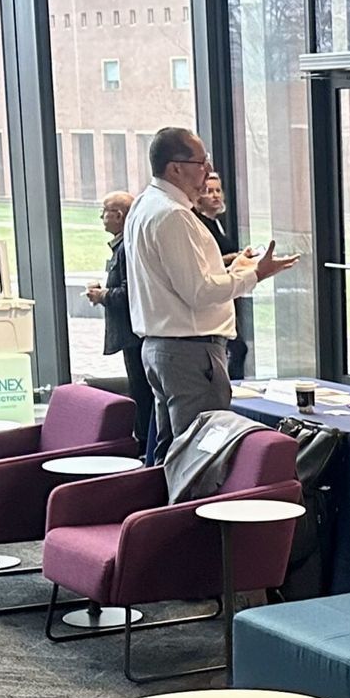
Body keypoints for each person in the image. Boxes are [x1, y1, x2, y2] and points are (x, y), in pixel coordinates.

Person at [125, 127, 295, 459]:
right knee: (199, 459)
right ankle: (187, 512)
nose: (207, 170)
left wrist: (236, 269)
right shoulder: (173, 215)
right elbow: (199, 293)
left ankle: (158, 513)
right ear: (175, 167)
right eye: (201, 162)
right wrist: (256, 274)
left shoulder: (146, 204)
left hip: (164, 347)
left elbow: (183, 282)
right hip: (190, 352)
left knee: (169, 454)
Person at [85, 191, 154, 455]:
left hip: (134, 334)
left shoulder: (127, 248)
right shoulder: (124, 245)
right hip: (132, 333)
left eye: (105, 210)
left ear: (120, 215)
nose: (102, 217)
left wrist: (102, 295)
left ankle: (145, 451)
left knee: (142, 393)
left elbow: (130, 292)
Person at [194, 171, 250, 380]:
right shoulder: (199, 224)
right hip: (214, 295)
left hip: (227, 292)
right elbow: (209, 261)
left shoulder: (216, 222)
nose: (216, 195)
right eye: (209, 191)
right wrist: (233, 258)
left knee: (237, 348)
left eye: (218, 190)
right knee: (236, 348)